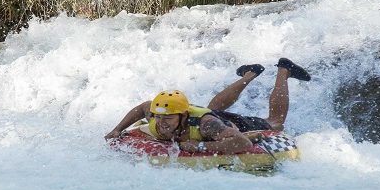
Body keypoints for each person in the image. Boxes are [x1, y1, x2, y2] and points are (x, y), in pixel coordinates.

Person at [104, 58, 311, 154]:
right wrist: (117, 129)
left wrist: (202, 146)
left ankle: (285, 70)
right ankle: (251, 73)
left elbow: (242, 143)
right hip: (208, 115)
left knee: (275, 123)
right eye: (158, 117)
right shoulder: (156, 115)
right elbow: (142, 107)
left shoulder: (208, 126)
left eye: (167, 118)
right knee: (212, 107)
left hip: (223, 123)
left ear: (183, 115)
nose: (161, 123)